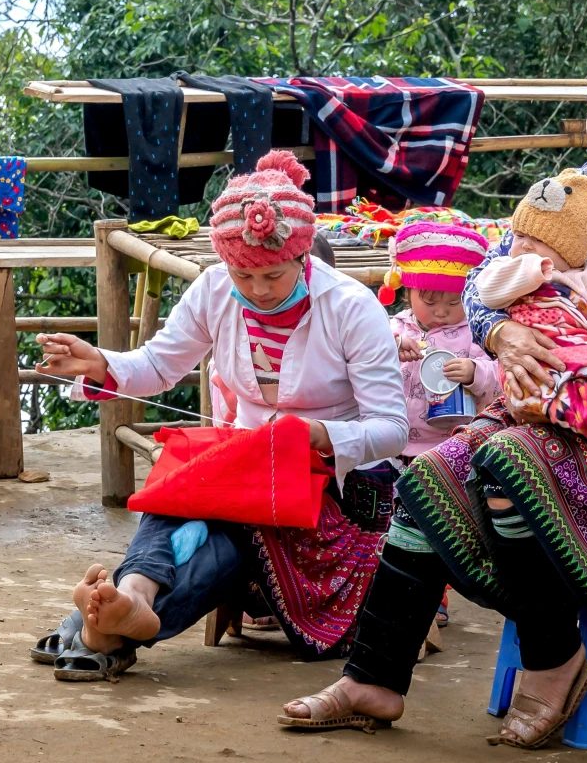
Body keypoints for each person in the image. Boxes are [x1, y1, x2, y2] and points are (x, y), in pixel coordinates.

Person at [280, 31, 587, 746]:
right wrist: (499, 335)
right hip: (554, 420)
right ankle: (373, 678)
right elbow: (483, 281)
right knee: (433, 472)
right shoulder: (566, 195)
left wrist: (582, 385)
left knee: (505, 462)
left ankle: (553, 660)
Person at [31, 151, 406, 680]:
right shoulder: (213, 289)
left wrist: (317, 434)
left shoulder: (351, 306)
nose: (256, 289)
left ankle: (115, 622)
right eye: (242, 275)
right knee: (183, 485)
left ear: (302, 258)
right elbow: (158, 364)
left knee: (231, 527)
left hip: (329, 482)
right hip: (243, 464)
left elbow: (391, 429)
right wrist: (101, 363)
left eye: (272, 276)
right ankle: (134, 597)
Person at [472, 169, 587, 436]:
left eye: (539, 240)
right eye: (520, 236)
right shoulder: (505, 266)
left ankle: (585, 410)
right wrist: (530, 270)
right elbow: (488, 292)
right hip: (525, 354)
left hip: (576, 349)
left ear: (569, 249)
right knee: (527, 381)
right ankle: (549, 405)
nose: (525, 246)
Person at [380, 216, 500, 458]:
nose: (441, 311)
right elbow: (363, 357)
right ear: (408, 292)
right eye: (429, 301)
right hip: (391, 442)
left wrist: (475, 372)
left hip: (453, 448)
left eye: (454, 302)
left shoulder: (476, 333)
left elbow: (501, 374)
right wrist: (391, 346)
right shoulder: (394, 327)